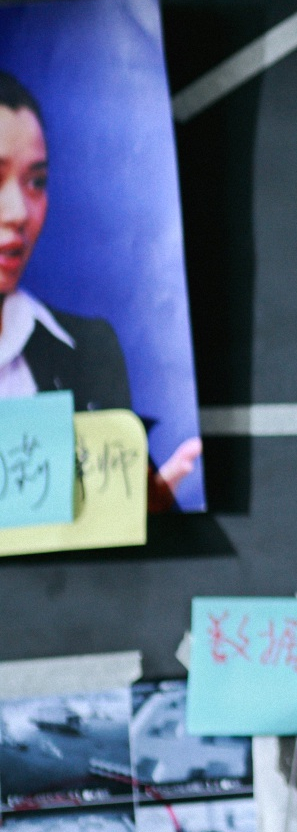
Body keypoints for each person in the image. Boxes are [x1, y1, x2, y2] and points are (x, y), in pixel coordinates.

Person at [0, 70, 201, 506]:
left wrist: (144, 510)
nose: (17, 212)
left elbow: (113, 509)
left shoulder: (88, 350)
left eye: (35, 182)